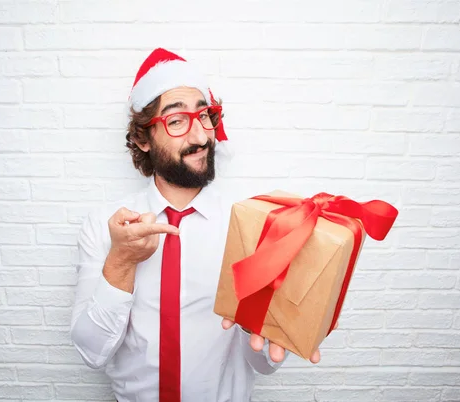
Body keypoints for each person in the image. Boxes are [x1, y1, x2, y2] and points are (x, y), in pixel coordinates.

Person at [70, 48, 330, 402]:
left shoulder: (252, 225)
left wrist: (278, 328)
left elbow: (263, 364)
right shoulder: (104, 225)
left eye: (205, 116)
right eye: (176, 121)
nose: (200, 137)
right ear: (143, 139)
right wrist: (121, 261)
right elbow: (91, 352)